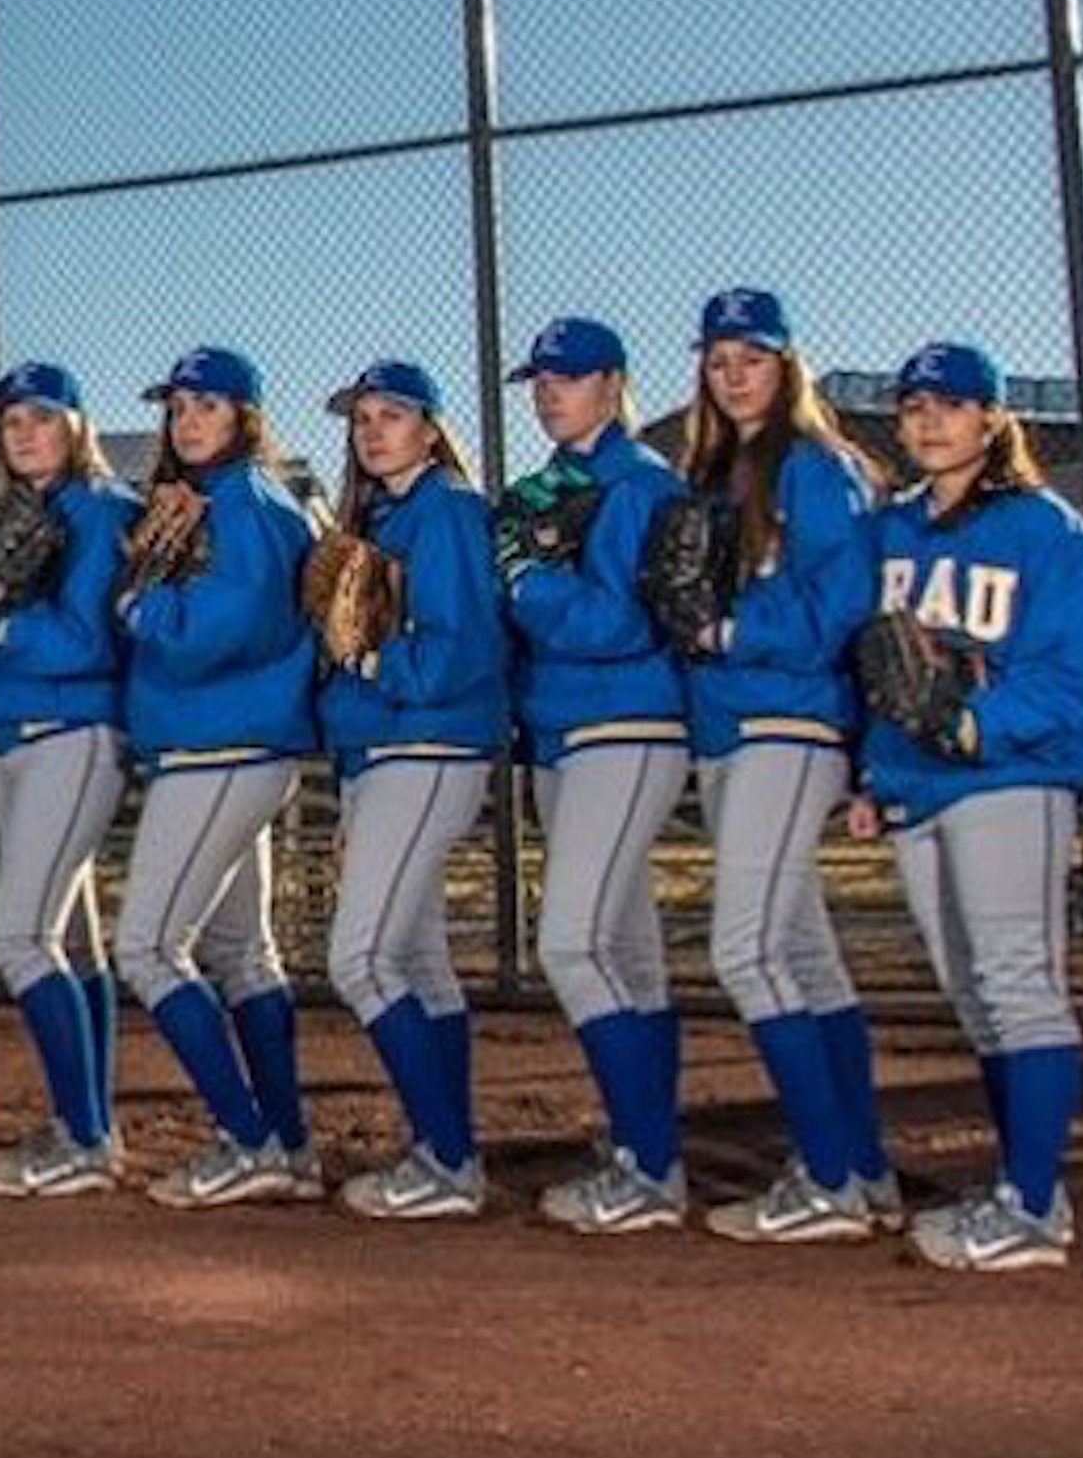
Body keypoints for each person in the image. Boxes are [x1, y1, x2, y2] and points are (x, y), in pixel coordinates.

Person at [852, 342, 1083, 1272]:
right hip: (918, 786)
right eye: (914, 406)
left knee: (1017, 985)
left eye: (952, 404)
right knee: (976, 998)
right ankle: (1024, 1185)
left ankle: (1033, 1206)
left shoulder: (1045, 532)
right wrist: (874, 776)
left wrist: (982, 724)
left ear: (992, 419)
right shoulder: (893, 532)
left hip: (1008, 779)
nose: (930, 420)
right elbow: (881, 676)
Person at [662, 289, 896, 1244]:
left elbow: (843, 600)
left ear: (787, 365)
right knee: (803, 955)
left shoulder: (815, 465)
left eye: (750, 358)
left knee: (745, 951)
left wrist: (730, 630)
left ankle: (829, 1178)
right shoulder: (719, 476)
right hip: (734, 727)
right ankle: (864, 1170)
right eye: (718, 361)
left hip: (789, 722)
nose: (733, 376)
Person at [107, 348, 321, 1210]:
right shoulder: (225, 500)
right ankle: (289, 1145)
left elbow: (223, 630)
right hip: (227, 744)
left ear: (245, 416)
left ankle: (246, 1137)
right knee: (241, 952)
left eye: (207, 405)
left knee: (147, 948)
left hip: (222, 745)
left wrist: (138, 603)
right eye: (178, 408)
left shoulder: (247, 503)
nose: (187, 421)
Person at [497, 317, 696, 1236]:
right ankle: (644, 1144)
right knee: (627, 954)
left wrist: (527, 581)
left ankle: (650, 1167)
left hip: (625, 722)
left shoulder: (641, 484)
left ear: (613, 384)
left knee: (572, 947)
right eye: (539, 380)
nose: (548, 392)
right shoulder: (552, 489)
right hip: (565, 729)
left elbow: (618, 623)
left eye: (567, 378)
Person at [307, 361, 507, 1220]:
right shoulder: (378, 517)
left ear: (430, 429)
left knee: (359, 959)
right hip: (381, 753)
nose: (373, 431)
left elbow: (459, 650)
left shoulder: (449, 509)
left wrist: (369, 662)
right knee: (419, 962)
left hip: (427, 744)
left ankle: (448, 1160)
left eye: (392, 415)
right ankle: (444, 1151)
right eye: (362, 419)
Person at [0, 363, 141, 1200]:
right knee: (71, 943)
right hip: (19, 738)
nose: (24, 433)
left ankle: (82, 1137)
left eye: (41, 417)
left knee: (18, 937)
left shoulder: (101, 511)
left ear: (75, 425)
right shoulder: (16, 514)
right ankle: (91, 1121)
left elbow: (87, 642)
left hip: (73, 735)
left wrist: (5, 620)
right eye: (11, 422)